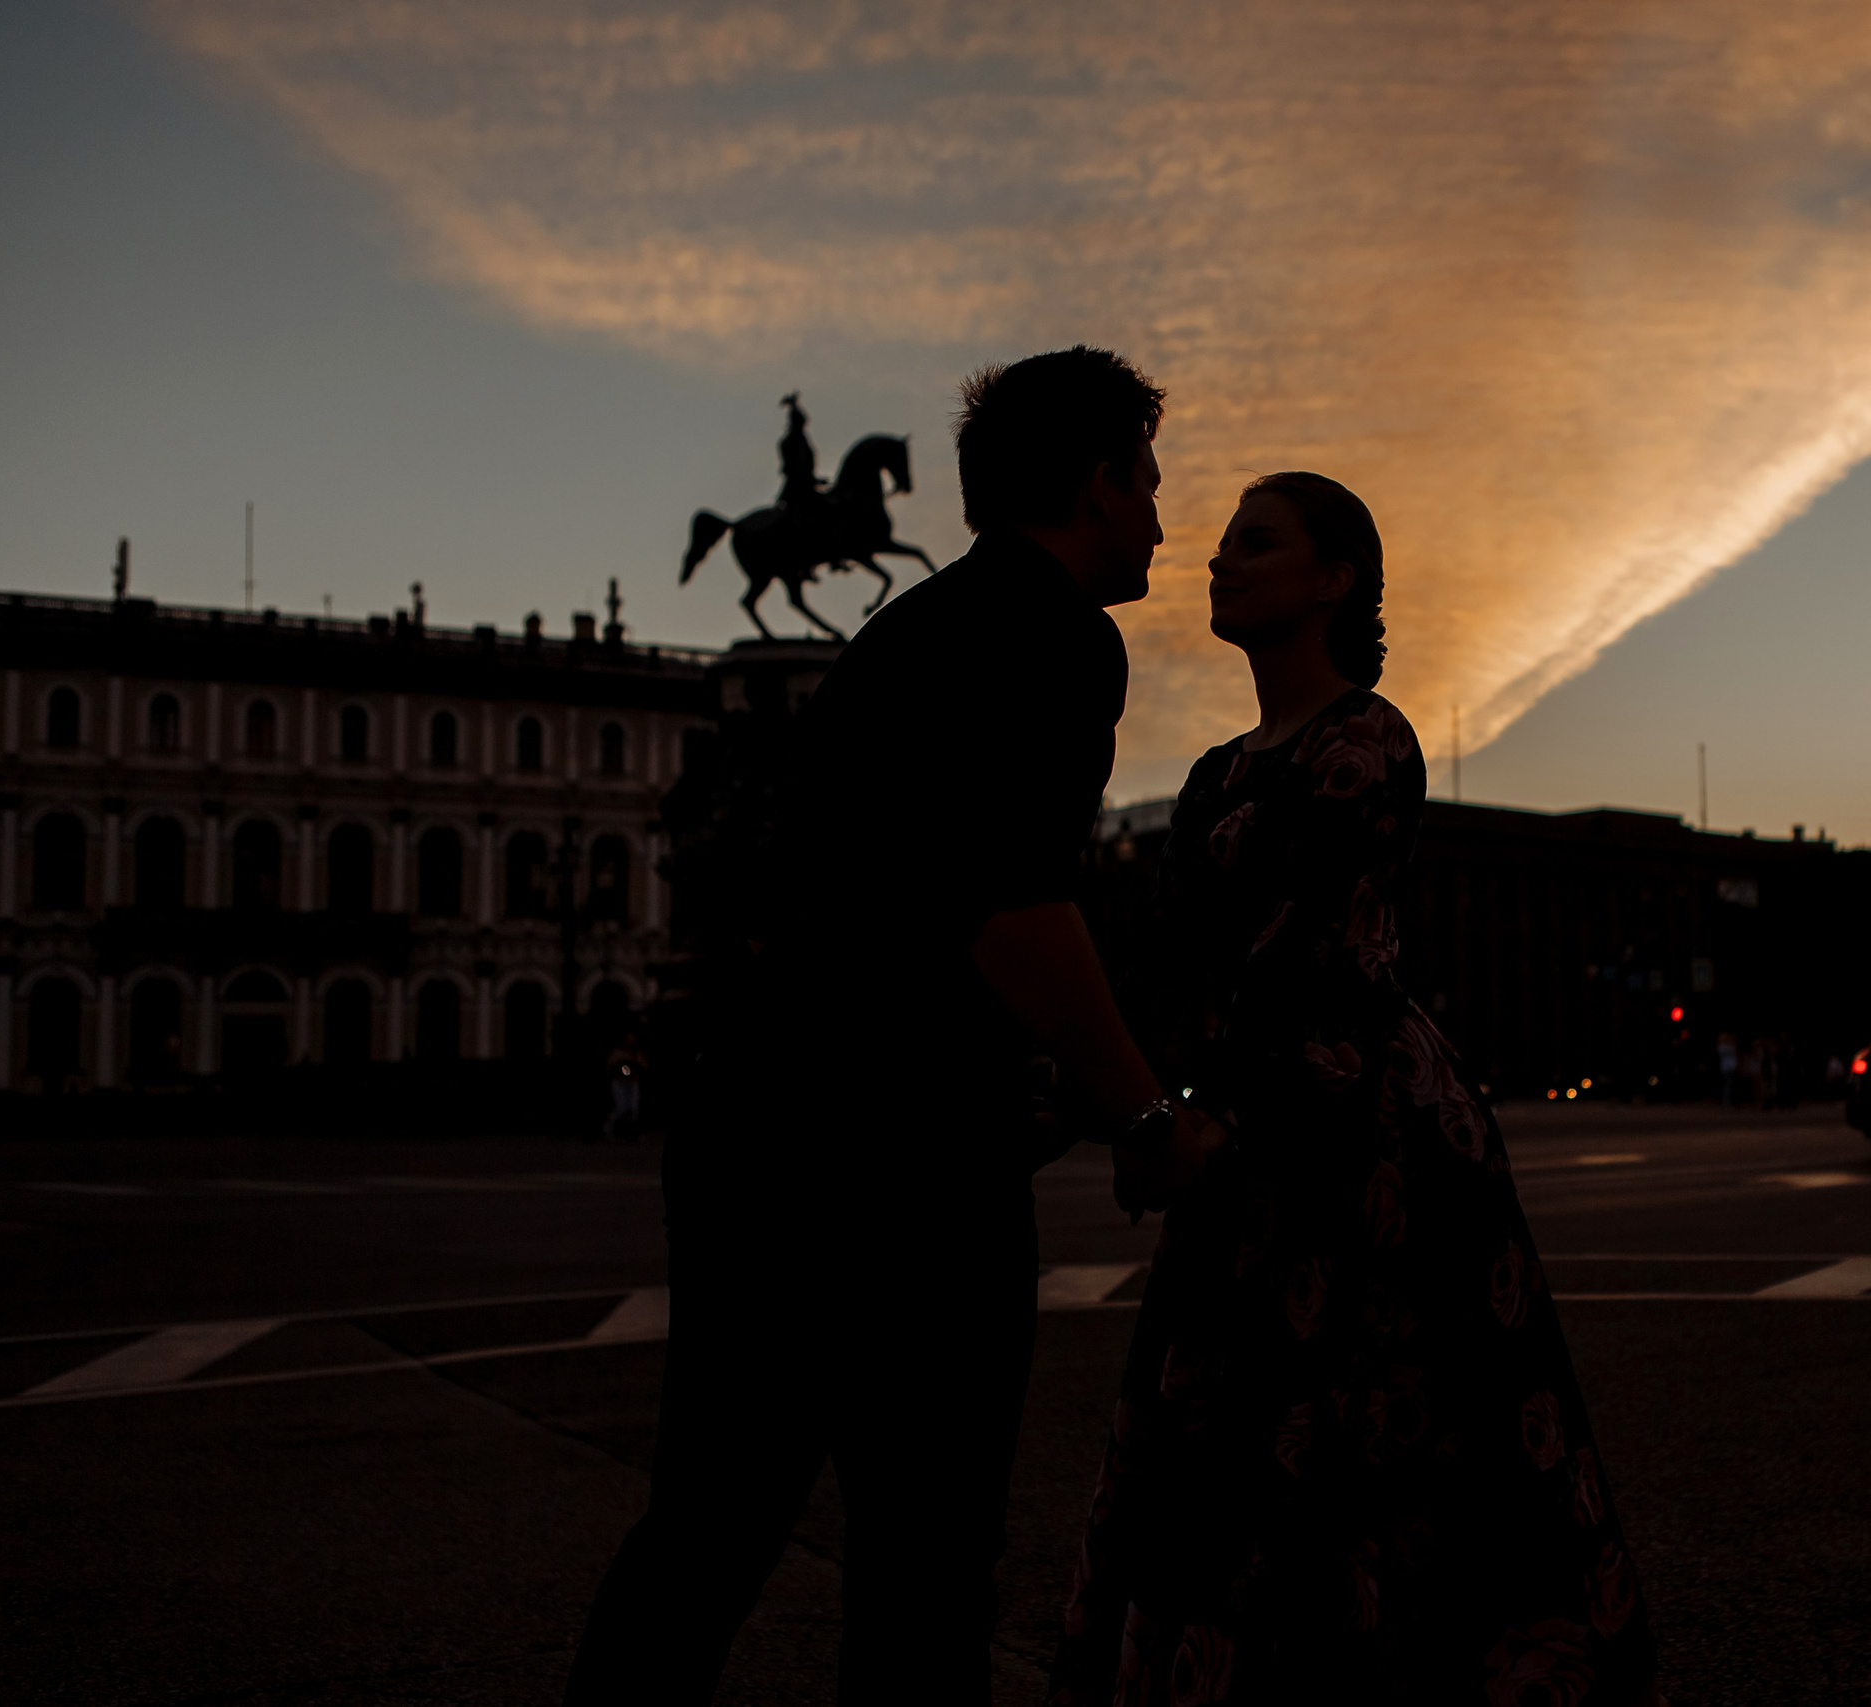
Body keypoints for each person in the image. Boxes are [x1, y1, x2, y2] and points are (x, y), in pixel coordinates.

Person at [566, 346, 1222, 1706]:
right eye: (1147, 484)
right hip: (903, 1170)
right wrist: (1145, 1115)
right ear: (1096, 483)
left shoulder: (912, 632)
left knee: (708, 1532)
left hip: (758, 1131)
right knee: (924, 1569)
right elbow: (1010, 902)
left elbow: (890, 899)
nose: (1160, 520)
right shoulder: (1054, 633)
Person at [1049, 473, 1661, 1705]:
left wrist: (1185, 1119)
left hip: (1359, 1134)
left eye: (1256, 544)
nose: (1220, 561)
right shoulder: (1217, 770)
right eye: (1221, 543)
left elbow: (1308, 956)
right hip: (1240, 1117)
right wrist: (1138, 1106)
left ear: (1334, 580)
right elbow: (1186, 970)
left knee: (1383, 1433)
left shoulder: (1366, 739)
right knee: (1241, 1434)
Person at [776, 390, 824, 514]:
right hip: (797, 487)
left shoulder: (800, 440)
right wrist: (812, 480)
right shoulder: (793, 442)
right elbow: (799, 469)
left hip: (804, 483)